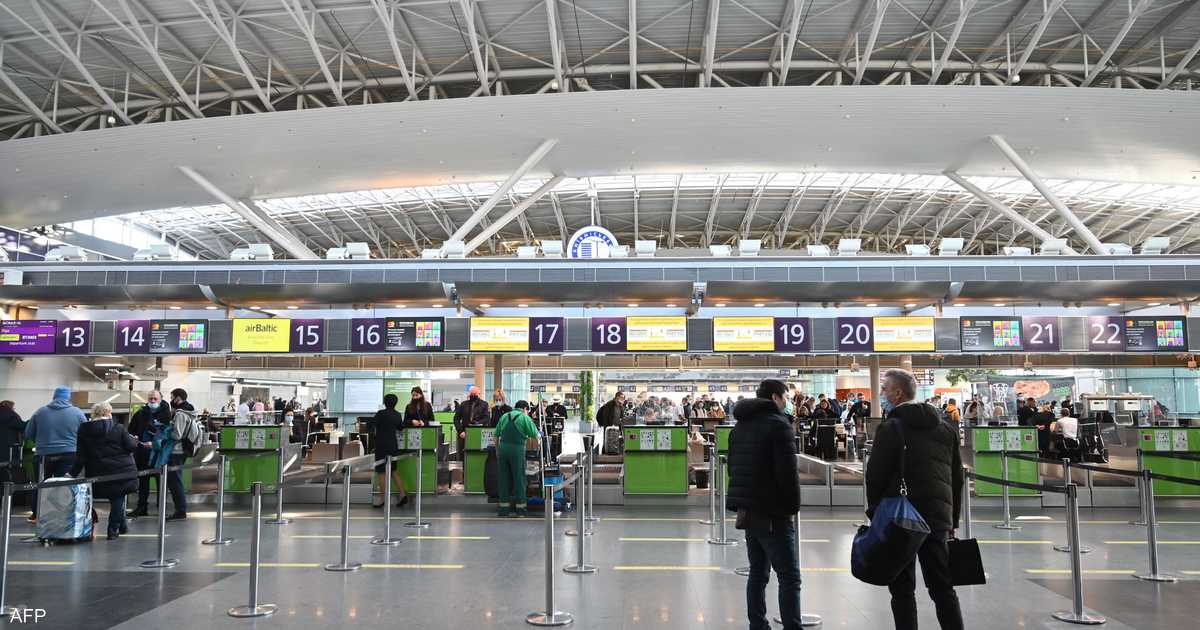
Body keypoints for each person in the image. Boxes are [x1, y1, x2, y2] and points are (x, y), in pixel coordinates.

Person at [866, 369, 964, 630]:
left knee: (902, 589)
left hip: (901, 519)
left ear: (898, 393)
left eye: (885, 388)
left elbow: (875, 476)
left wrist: (875, 514)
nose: (882, 393)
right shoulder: (946, 428)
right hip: (937, 518)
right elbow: (957, 478)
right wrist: (951, 520)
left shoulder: (891, 428)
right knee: (943, 587)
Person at [727, 379, 801, 630]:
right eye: (786, 397)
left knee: (758, 573)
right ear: (775, 398)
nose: (787, 402)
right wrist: (792, 508)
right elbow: (788, 475)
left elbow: (734, 469)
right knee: (789, 577)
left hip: (749, 512)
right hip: (774, 513)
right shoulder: (779, 426)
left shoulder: (740, 426)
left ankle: (758, 625)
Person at [71, 403, 143, 540]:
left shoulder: (84, 430)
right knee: (117, 498)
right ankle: (113, 529)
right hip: (121, 470)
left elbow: (81, 456)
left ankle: (123, 526)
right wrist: (134, 440)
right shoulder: (118, 428)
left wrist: (72, 474)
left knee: (116, 497)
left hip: (97, 471)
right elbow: (131, 446)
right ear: (109, 412)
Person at [25, 386, 86, 523]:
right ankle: (64, 515)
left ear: (54, 396)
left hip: (43, 455)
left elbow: (28, 433)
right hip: (69, 454)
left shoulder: (40, 412)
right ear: (68, 397)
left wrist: (41, 442)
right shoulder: (77, 413)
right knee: (64, 485)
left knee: (40, 484)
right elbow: (85, 433)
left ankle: (36, 514)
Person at [127, 390, 172, 518]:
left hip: (159, 454)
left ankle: (161, 508)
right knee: (143, 482)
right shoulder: (141, 413)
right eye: (150, 398)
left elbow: (170, 434)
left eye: (155, 399)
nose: (152, 401)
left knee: (161, 482)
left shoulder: (167, 415)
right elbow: (131, 429)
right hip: (142, 453)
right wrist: (135, 437)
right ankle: (142, 507)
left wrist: (154, 444)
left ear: (160, 399)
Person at [494, 400, 540, 517]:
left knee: (503, 479)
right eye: (527, 411)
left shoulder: (505, 416)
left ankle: (503, 510)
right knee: (519, 479)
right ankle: (521, 509)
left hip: (503, 449)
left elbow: (496, 436)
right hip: (517, 450)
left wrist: (497, 451)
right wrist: (538, 445)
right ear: (525, 409)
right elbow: (535, 435)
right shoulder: (525, 418)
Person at [160, 388, 196, 520]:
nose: (171, 400)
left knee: (175, 481)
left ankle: (180, 511)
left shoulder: (180, 414)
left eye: (172, 397)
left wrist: (166, 432)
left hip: (177, 450)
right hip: (182, 450)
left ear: (178, 398)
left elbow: (177, 435)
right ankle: (180, 509)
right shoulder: (189, 411)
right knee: (176, 480)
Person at [370, 394, 410, 508]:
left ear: (384, 402)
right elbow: (400, 427)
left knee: (381, 472)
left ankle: (383, 499)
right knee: (393, 470)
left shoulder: (381, 413)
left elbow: (371, 425)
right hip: (393, 445)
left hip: (381, 445)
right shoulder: (397, 414)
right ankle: (402, 494)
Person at [453, 386, 489, 462]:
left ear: (479, 394)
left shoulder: (484, 404)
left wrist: (478, 423)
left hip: (478, 434)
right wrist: (460, 431)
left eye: (475, 394)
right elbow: (456, 419)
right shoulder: (463, 404)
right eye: (472, 394)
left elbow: (486, 418)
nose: (473, 396)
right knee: (463, 457)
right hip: (464, 434)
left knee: (476, 455)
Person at [0, 401, 26, 483]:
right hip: (9, 451)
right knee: (8, 475)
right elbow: (22, 426)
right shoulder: (11, 416)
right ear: (9, 407)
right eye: (13, 408)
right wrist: (33, 420)